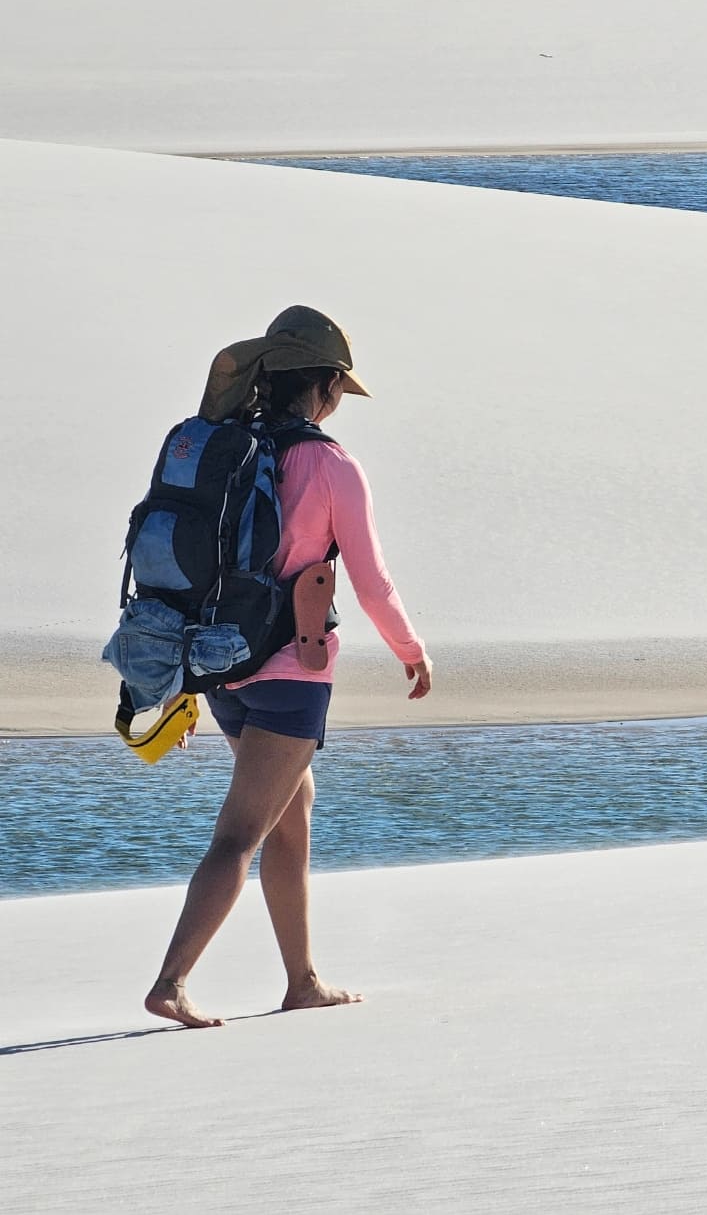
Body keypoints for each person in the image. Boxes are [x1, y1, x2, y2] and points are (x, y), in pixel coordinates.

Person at [144, 306, 432, 1029]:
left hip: (223, 667)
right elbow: (371, 582)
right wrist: (411, 650)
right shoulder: (330, 463)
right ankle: (171, 980)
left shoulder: (228, 447)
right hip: (291, 673)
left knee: (290, 810)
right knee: (240, 833)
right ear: (329, 385)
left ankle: (302, 978)